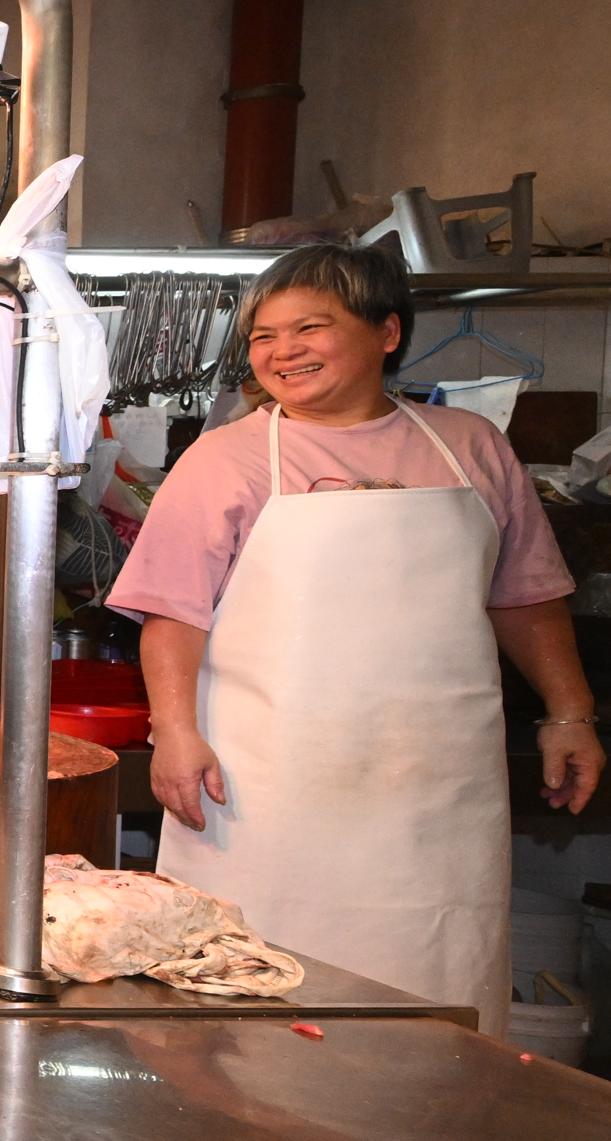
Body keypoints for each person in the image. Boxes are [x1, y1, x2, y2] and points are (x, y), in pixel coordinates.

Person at [108, 242, 601, 1031]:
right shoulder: (225, 459)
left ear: (387, 332)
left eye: (311, 328)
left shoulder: (471, 445)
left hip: (435, 788)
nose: (283, 352)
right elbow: (174, 614)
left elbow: (526, 596)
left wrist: (569, 714)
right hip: (268, 788)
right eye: (264, 337)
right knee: (260, 1004)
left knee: (434, 1006)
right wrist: (174, 732)